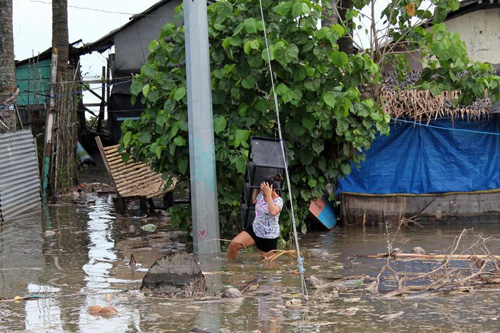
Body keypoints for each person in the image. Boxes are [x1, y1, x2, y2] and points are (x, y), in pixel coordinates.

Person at [228, 174, 284, 260]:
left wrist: (268, 195)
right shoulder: (262, 194)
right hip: (255, 229)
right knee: (234, 244)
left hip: (268, 236)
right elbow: (254, 201)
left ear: (272, 190)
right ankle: (230, 269)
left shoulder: (278, 201)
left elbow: (273, 212)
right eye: (261, 190)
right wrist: (257, 188)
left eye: (264, 191)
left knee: (267, 265)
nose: (262, 193)